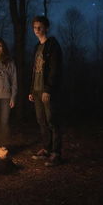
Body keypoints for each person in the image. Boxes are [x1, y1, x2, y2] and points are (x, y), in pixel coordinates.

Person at [28, 16, 62, 167]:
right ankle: (46, 149)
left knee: (52, 121)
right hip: (36, 90)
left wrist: (48, 89)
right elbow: (35, 70)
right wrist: (31, 90)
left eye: (40, 27)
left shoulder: (52, 45)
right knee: (41, 121)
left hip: (46, 90)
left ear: (46, 28)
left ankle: (56, 153)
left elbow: (55, 69)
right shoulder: (37, 47)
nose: (37, 30)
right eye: (35, 27)